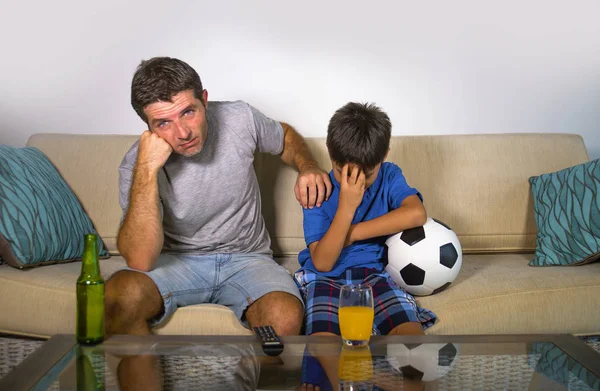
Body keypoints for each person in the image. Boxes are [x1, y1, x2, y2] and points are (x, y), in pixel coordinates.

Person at [105, 56, 332, 337]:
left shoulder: (239, 118)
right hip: (176, 261)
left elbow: (284, 136)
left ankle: (245, 380)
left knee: (284, 316)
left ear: (204, 99)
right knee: (120, 297)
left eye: (189, 112)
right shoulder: (136, 165)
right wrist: (147, 170)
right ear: (148, 126)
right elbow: (140, 261)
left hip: (248, 259)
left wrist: (308, 166)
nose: (182, 132)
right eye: (163, 123)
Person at [294, 102, 436, 388]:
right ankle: (346, 383)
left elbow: (416, 213)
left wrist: (352, 232)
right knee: (324, 339)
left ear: (384, 155)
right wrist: (347, 205)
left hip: (374, 274)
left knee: (411, 335)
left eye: (366, 175)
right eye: (344, 172)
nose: (354, 183)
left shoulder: (390, 175)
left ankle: (365, 376)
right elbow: (322, 262)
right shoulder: (318, 189)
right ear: (330, 151)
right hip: (325, 278)